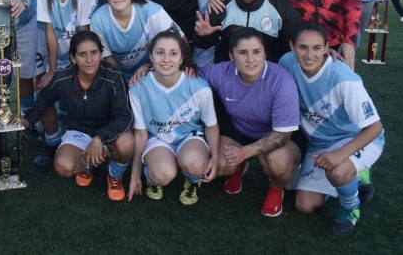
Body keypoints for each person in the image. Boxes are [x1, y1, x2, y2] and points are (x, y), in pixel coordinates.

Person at [279, 21, 384, 235]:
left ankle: (350, 207)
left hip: (358, 137)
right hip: (319, 142)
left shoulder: (345, 79)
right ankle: (350, 178)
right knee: (304, 205)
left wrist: (340, 155)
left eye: (317, 48)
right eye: (302, 47)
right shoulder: (286, 63)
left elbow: (374, 128)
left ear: (327, 48)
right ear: (291, 46)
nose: (310, 55)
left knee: (339, 170)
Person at [197, 28, 303, 217]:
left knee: (278, 163)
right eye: (242, 53)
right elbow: (189, 74)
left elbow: (282, 135)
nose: (250, 59)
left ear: (265, 53)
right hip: (240, 130)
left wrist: (244, 153)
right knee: (218, 164)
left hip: (276, 134)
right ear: (231, 56)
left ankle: (277, 188)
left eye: (256, 51)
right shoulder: (222, 72)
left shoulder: (282, 81)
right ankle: (238, 167)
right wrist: (150, 67)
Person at [23, 31, 134, 201]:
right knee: (63, 166)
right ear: (73, 58)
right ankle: (87, 164)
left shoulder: (114, 78)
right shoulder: (63, 78)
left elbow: (124, 117)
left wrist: (99, 138)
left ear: (101, 54)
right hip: (79, 131)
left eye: (94, 53)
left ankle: (114, 175)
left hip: (107, 133)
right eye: (82, 54)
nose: (89, 60)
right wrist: (27, 120)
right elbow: (44, 100)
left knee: (126, 143)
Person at [128, 30, 219, 205]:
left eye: (173, 53)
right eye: (160, 52)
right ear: (151, 56)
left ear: (182, 57)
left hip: (190, 137)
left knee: (193, 163)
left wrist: (214, 157)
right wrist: (135, 175)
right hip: (158, 138)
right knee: (162, 174)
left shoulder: (199, 87)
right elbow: (140, 134)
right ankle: (152, 177)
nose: (166, 59)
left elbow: (211, 125)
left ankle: (192, 181)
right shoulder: (137, 87)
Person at [90, 0, 181, 80]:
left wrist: (150, 67)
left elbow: (179, 41)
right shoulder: (98, 20)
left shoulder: (152, 11)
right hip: (122, 75)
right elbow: (108, 58)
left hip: (156, 70)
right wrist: (121, 83)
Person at [36, 0, 98, 90]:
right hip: (57, 53)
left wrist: (78, 68)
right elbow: (49, 29)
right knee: (46, 89)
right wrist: (52, 70)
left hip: (80, 55)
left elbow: (84, 33)